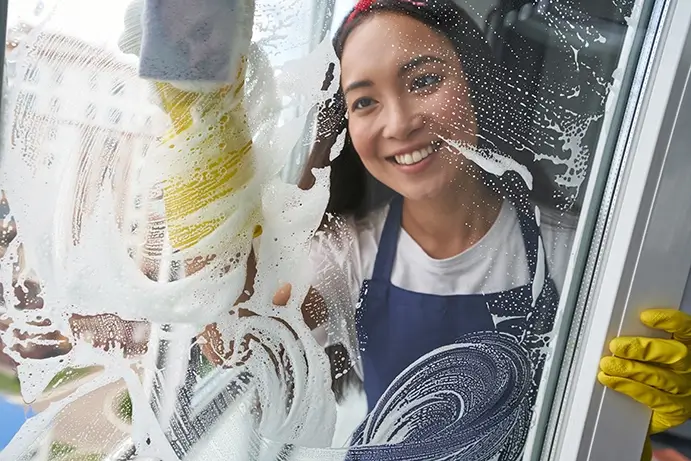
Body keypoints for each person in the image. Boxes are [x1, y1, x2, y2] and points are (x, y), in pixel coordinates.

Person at [261, 0, 691, 458]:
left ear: (478, 83)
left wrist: (638, 425)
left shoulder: (578, 254)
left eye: (424, 80)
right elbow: (237, 340)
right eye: (364, 101)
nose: (400, 123)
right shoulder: (347, 256)